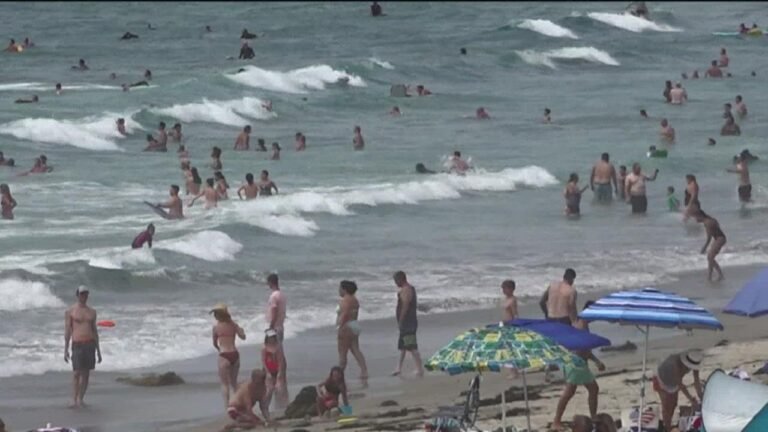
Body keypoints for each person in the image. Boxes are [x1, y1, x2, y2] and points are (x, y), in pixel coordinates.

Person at [552, 301, 606, 431]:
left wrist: (594, 360)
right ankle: (557, 420)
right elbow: (583, 350)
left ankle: (592, 416)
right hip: (576, 364)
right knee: (575, 391)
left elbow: (585, 348)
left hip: (577, 363)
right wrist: (597, 361)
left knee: (584, 390)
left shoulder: (580, 323)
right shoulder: (581, 326)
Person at [64, 286, 102, 408]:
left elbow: (94, 331)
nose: (83, 297)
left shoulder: (92, 312)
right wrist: (65, 349)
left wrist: (99, 351)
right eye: (81, 294)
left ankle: (81, 399)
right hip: (77, 344)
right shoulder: (71, 311)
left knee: (86, 374)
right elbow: (68, 330)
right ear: (77, 295)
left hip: (89, 343)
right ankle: (74, 399)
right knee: (76, 373)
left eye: (85, 294)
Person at [654, 350, 704, 431]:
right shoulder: (675, 362)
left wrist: (701, 396)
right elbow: (680, 384)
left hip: (673, 383)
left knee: (674, 403)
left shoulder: (694, 361)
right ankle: (667, 429)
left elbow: (696, 381)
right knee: (666, 405)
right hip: (661, 379)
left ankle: (668, 425)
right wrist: (691, 399)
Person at [211, 304, 246, 407]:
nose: (214, 316)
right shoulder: (233, 325)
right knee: (234, 383)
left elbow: (214, 343)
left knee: (224, 384)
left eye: (215, 314)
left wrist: (219, 350)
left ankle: (227, 406)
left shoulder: (216, 327)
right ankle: (237, 403)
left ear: (218, 315)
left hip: (224, 355)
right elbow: (243, 337)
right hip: (235, 354)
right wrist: (241, 330)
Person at [392, 271, 424, 377]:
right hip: (408, 322)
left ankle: (420, 368)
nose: (395, 283)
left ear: (400, 279)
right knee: (403, 346)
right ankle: (398, 368)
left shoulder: (406, 290)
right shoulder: (407, 289)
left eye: (396, 281)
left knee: (411, 346)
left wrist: (401, 319)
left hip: (408, 322)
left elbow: (405, 305)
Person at [337, 280, 368, 382]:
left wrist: (340, 326)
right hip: (354, 324)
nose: (339, 290)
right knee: (355, 349)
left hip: (346, 326)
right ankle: (364, 370)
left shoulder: (345, 300)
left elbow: (345, 313)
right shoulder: (355, 300)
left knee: (342, 352)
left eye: (340, 288)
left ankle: (340, 374)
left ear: (344, 289)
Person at [694, 210, 726, 281]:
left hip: (719, 239)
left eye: (696, 217)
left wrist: (704, 248)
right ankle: (710, 276)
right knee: (710, 257)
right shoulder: (710, 220)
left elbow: (709, 238)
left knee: (710, 257)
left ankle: (719, 275)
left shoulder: (707, 223)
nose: (695, 219)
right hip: (720, 238)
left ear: (700, 216)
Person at [262, 329, 288, 409]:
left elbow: (280, 361)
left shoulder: (278, 347)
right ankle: (266, 407)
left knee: (280, 388)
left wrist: (280, 372)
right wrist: (267, 372)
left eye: (273, 337)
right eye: (270, 337)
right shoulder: (264, 347)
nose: (272, 339)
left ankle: (282, 406)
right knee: (269, 390)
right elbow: (263, 361)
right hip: (268, 370)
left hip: (277, 369)